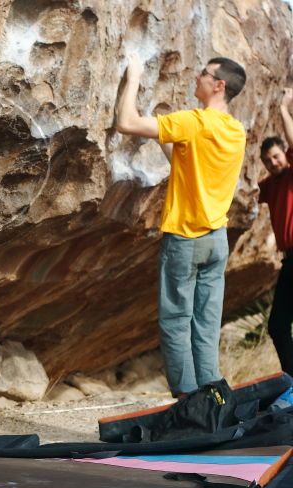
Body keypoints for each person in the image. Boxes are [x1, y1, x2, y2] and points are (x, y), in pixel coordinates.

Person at [116, 54, 247, 398]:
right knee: (206, 324)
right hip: (216, 241)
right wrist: (165, 138)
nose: (197, 76)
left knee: (176, 321)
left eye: (204, 73)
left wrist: (133, 77)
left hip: (186, 239)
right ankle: (211, 397)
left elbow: (126, 123)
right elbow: (187, 164)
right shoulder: (235, 131)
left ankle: (188, 401)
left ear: (219, 85)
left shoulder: (196, 122)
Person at [258, 88, 293, 376]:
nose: (273, 163)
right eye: (268, 160)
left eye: (276, 156)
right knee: (278, 325)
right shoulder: (270, 186)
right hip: (289, 261)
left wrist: (283, 108)